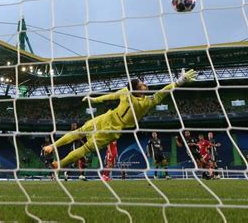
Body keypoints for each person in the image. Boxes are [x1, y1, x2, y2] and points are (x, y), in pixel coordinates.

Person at [43, 69, 197, 169]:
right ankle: (53, 149)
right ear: (137, 88)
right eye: (142, 84)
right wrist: (95, 100)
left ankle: (59, 162)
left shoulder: (140, 98)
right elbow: (111, 96)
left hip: (112, 126)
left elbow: (162, 92)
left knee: (84, 143)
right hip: (109, 120)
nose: (145, 85)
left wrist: (178, 82)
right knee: (81, 135)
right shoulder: (136, 97)